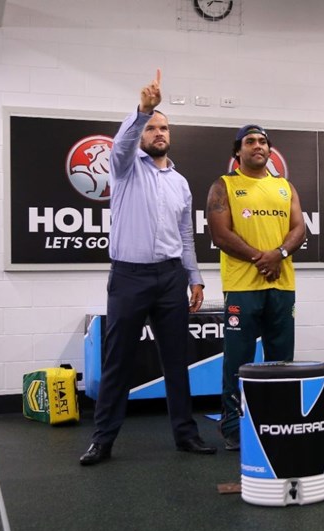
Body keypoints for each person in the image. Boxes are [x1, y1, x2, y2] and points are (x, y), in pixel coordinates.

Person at [80, 70, 215, 465]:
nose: (159, 132)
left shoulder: (180, 182)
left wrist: (195, 277)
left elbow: (186, 235)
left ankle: (185, 436)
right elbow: (120, 144)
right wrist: (142, 109)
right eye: (152, 127)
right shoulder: (124, 168)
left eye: (164, 127)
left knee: (176, 361)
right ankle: (102, 441)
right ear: (142, 133)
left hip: (171, 276)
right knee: (118, 361)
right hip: (128, 277)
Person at [206, 124, 306, 450]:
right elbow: (220, 235)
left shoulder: (284, 187)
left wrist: (278, 255)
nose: (257, 146)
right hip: (242, 287)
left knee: (281, 360)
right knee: (238, 360)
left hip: (282, 285)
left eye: (262, 141)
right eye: (250, 141)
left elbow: (299, 230)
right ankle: (233, 427)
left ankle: (278, 419)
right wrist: (260, 259)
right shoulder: (224, 186)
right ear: (238, 151)